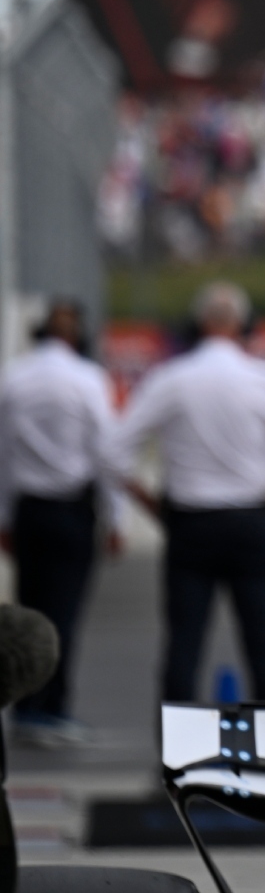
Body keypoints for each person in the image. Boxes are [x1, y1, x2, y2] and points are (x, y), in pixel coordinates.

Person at [110, 282, 265, 704]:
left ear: (195, 325)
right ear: (246, 327)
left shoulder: (171, 379)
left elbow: (113, 451)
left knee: (183, 645)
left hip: (190, 524)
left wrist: (149, 503)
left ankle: (176, 754)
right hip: (253, 522)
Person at [0, 299, 121, 748]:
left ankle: (26, 704)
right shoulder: (89, 380)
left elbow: (4, 455)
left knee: (30, 612)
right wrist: (116, 518)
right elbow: (106, 453)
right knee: (65, 614)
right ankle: (52, 709)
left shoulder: (14, 378)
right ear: (78, 336)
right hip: (72, 511)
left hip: (30, 510)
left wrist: (4, 516)